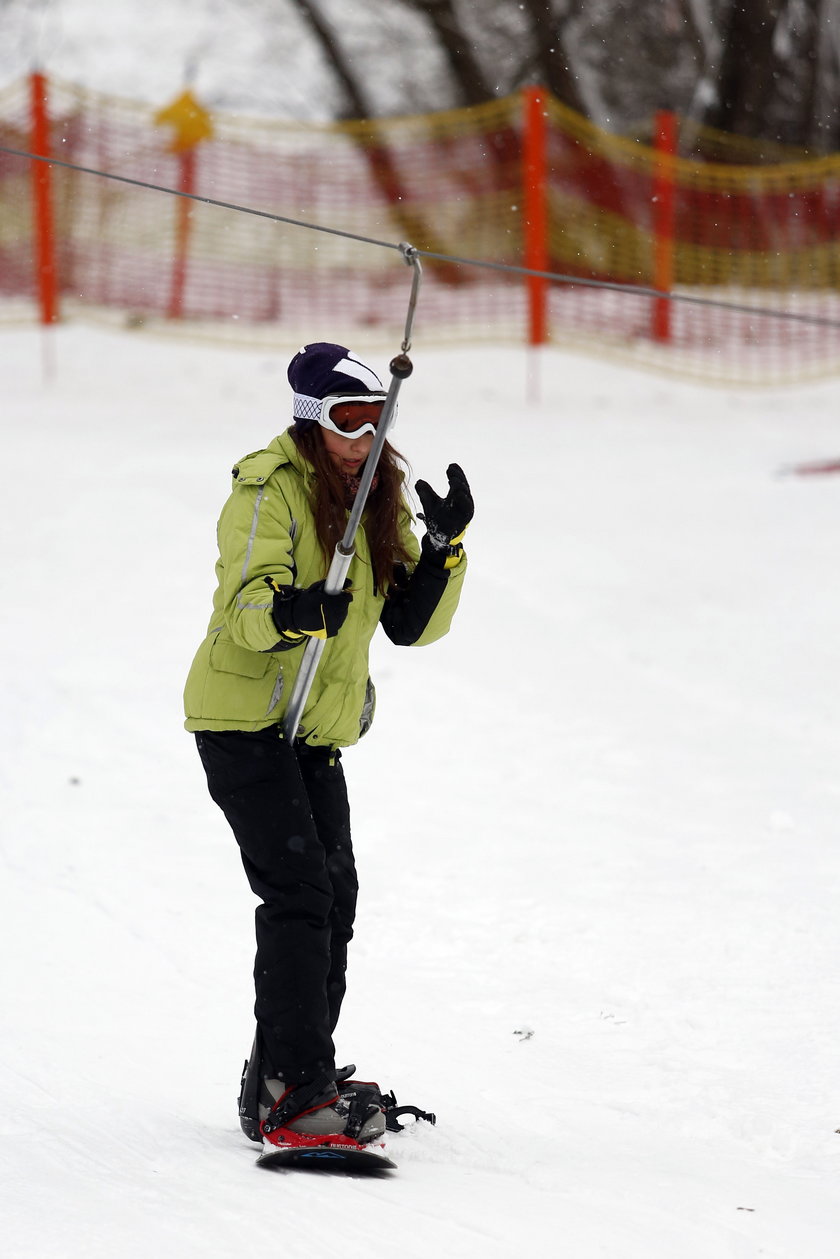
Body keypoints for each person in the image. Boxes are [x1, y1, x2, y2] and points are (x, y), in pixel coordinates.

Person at [184, 341, 472, 1154]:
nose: (366, 436)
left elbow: (411, 623)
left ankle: (285, 1076)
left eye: (377, 418)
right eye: (350, 420)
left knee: (334, 892)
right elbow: (245, 602)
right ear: (314, 423)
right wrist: (290, 611)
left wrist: (444, 548)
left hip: (312, 730)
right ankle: (296, 1086)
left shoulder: (378, 498)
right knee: (300, 889)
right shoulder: (266, 489)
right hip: (243, 719)